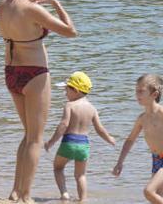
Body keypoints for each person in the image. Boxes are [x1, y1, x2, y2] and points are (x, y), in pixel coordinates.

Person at [0, 0, 77, 202]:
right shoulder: (33, 9)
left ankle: (14, 191)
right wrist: (56, 4)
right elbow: (71, 31)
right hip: (34, 73)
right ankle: (26, 196)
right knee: (35, 138)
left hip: (11, 72)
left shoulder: (3, 3)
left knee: (28, 135)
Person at [43, 71, 116, 201]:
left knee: (58, 168)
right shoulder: (92, 108)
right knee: (81, 175)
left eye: (66, 89)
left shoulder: (69, 105)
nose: (65, 93)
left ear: (75, 90)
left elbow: (63, 125)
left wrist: (51, 142)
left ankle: (64, 193)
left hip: (69, 143)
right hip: (84, 145)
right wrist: (110, 139)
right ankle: (83, 199)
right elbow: (100, 129)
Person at [113, 74, 163, 203]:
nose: (137, 94)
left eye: (141, 91)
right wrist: (120, 162)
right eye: (136, 91)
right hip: (157, 160)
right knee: (156, 197)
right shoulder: (142, 119)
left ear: (154, 94)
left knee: (149, 191)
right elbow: (130, 140)